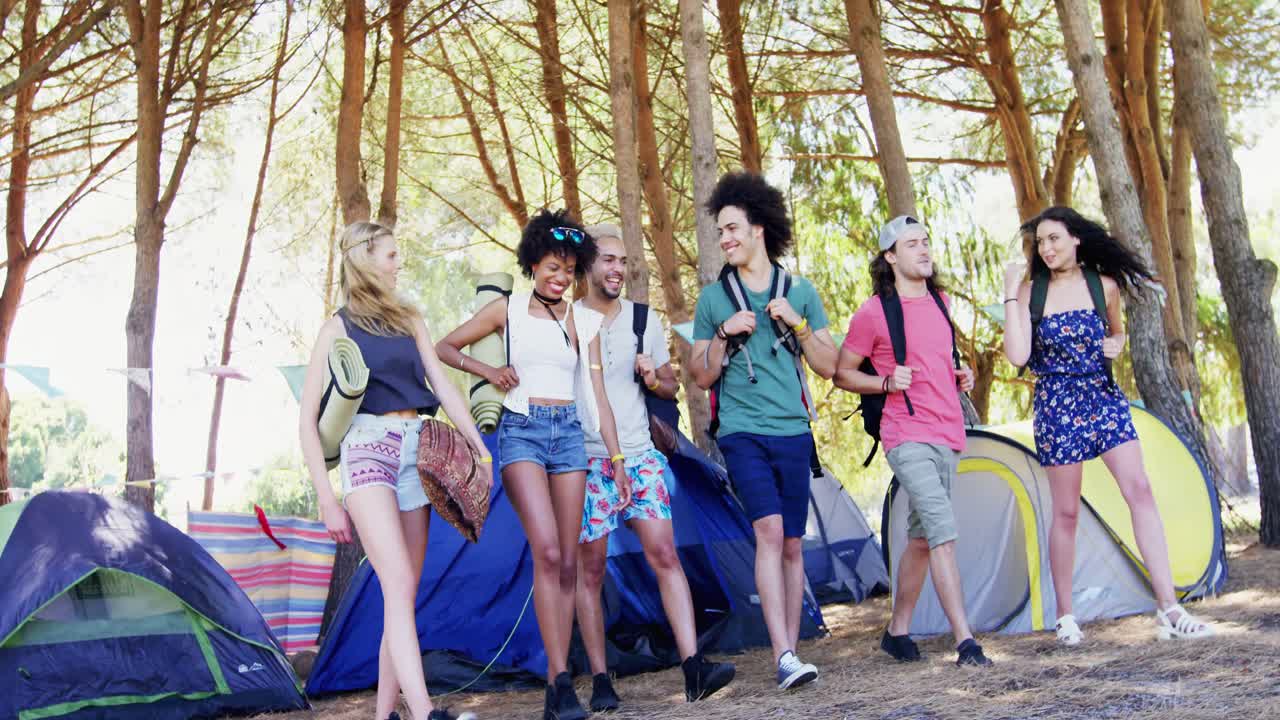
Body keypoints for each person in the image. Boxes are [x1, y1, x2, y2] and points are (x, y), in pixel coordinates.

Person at [436, 209, 627, 720]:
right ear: (532, 264)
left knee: (568, 559)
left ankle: (555, 688)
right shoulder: (508, 309)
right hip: (522, 430)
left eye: (568, 269)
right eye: (550, 266)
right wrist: (490, 369)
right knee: (545, 550)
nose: (559, 277)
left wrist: (617, 458)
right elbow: (445, 347)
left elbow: (600, 397)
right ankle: (563, 678)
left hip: (569, 436)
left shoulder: (583, 321)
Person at [1002, 205, 1216, 645]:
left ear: (1076, 239)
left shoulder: (1105, 287)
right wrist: (1009, 293)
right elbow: (1018, 357)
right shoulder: (1029, 293)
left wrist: (1116, 343)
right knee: (1065, 511)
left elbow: (1117, 333)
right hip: (1057, 403)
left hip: (1103, 397)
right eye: (1040, 242)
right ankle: (1065, 616)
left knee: (1139, 491)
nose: (1046, 248)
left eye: (1054, 239)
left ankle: (1169, 608)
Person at [299, 222, 486, 720]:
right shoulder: (336, 327)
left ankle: (386, 717)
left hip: (416, 448)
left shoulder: (409, 317)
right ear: (365, 258)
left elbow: (443, 386)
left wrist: (476, 444)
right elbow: (306, 420)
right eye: (391, 255)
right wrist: (325, 495)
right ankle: (426, 713)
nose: (399, 263)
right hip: (365, 450)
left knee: (400, 594)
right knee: (398, 580)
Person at [571, 223, 736, 711]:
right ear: (587, 265)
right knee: (591, 571)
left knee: (665, 556)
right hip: (587, 461)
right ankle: (601, 680)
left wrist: (653, 376)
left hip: (641, 455)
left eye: (623, 261)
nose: (618, 269)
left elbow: (668, 386)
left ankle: (693, 668)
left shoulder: (643, 319)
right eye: (608, 260)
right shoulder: (568, 318)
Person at [689, 171, 838, 691]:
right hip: (741, 430)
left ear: (758, 229)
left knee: (793, 542)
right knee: (769, 531)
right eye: (721, 232)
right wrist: (725, 336)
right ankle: (783, 655)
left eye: (732, 229)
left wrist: (796, 324)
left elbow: (829, 364)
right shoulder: (713, 299)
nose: (725, 239)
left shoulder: (800, 290)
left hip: (793, 429)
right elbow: (699, 372)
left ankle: (792, 651)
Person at [834, 215, 993, 667]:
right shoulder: (873, 313)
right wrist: (885, 382)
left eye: (926, 242)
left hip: (948, 432)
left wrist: (963, 375)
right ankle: (966, 641)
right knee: (942, 531)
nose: (923, 250)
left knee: (922, 538)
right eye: (911, 244)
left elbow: (940, 361)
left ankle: (897, 630)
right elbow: (842, 373)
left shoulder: (941, 302)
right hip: (906, 436)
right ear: (890, 256)